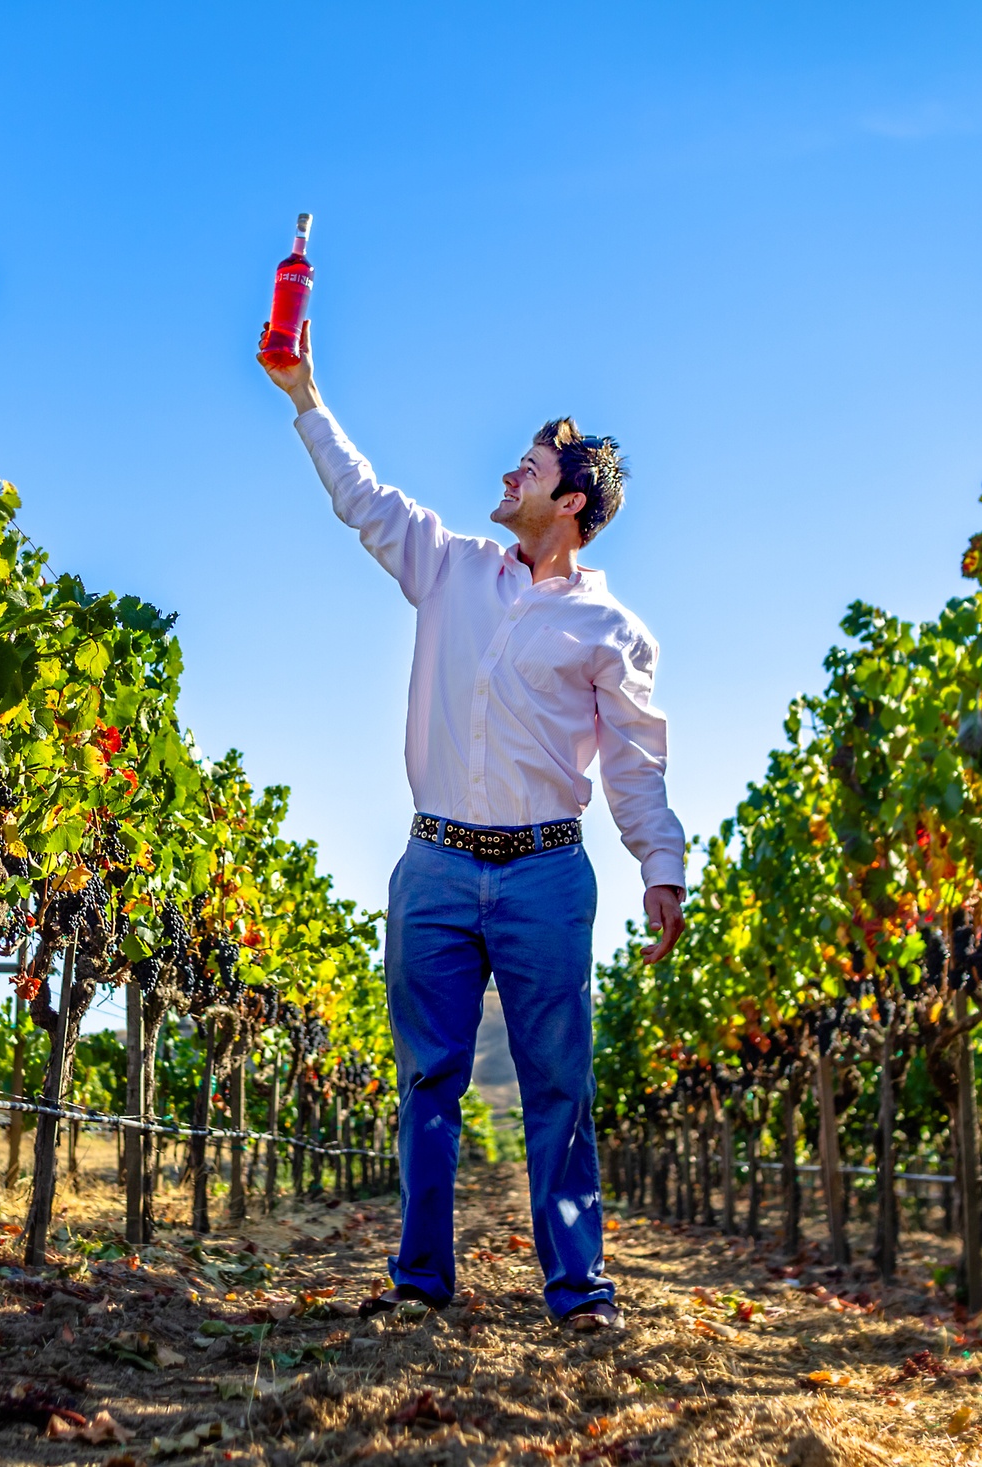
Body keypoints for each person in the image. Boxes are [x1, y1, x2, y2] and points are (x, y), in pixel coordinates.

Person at [259, 320, 686, 1334]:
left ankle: (577, 1293)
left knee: (556, 1090)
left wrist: (658, 864)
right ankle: (420, 1283)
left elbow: (635, 759)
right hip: (436, 864)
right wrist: (304, 398)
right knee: (428, 1084)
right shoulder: (449, 567)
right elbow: (363, 500)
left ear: (568, 502)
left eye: (528, 467)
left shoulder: (610, 630)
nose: (508, 473)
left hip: (545, 874)